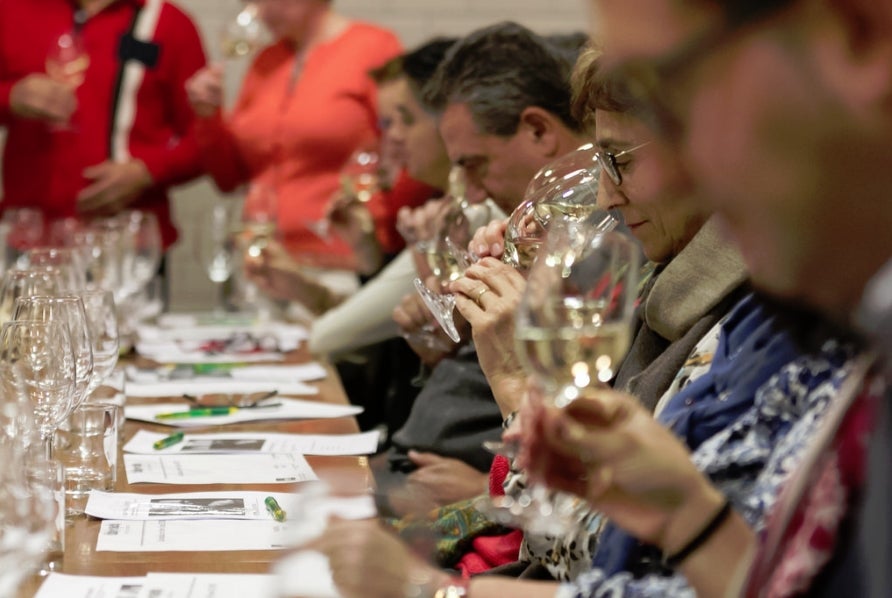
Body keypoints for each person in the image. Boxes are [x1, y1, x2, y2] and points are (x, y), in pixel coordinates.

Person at [525, 0, 892, 596]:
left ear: (857, 34)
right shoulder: (843, 318)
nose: (678, 175)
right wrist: (687, 516)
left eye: (680, 97)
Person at [374, 22, 590, 517]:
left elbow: (605, 444)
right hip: (440, 477)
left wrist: (487, 491)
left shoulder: (615, 239)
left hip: (499, 518)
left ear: (538, 130)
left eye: (474, 165)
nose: (470, 192)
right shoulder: (533, 226)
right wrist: (442, 348)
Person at [184, 0, 401, 271]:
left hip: (344, 262)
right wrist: (208, 117)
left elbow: (405, 157)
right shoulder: (266, 61)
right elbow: (229, 180)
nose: (258, 11)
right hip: (265, 261)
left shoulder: (373, 48)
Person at [0, 0, 206, 250]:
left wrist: (147, 171)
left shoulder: (167, 22)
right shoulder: (12, 10)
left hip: (127, 246)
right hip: (28, 241)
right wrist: (8, 97)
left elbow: (205, 139)